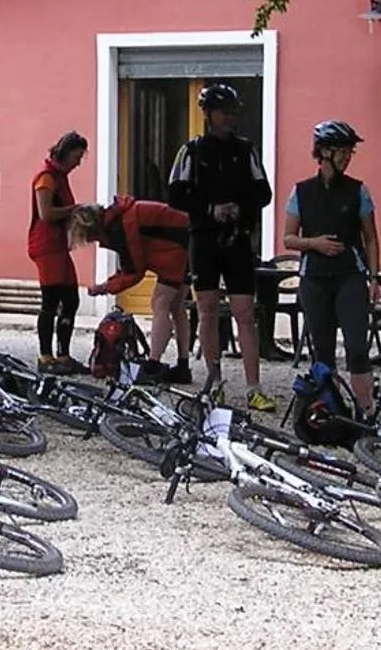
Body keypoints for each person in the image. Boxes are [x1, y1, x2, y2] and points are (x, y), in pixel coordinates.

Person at [167, 83, 275, 411]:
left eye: (233, 113)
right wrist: (209, 209)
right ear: (208, 115)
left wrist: (239, 207)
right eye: (223, 113)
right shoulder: (192, 150)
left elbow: (264, 192)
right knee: (208, 309)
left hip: (238, 238)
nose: (229, 118)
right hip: (204, 239)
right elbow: (175, 194)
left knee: (245, 312)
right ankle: (214, 383)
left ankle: (254, 387)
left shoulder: (246, 149)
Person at [283, 121, 381, 414]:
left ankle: (366, 410)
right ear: (324, 152)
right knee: (322, 349)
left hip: (349, 275)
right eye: (342, 151)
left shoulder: (358, 190)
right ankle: (331, 410)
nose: (347, 157)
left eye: (350, 151)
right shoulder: (301, 191)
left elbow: (371, 237)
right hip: (314, 277)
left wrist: (374, 277)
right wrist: (314, 243)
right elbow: (288, 238)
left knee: (357, 347)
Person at [71, 197, 194, 380]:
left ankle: (153, 365)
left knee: (160, 303)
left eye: (86, 236)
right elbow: (131, 264)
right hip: (188, 241)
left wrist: (105, 287)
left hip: (176, 248)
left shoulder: (122, 227)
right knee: (176, 306)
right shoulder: (119, 218)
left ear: (92, 228)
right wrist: (108, 285)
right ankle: (183, 366)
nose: (89, 241)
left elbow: (134, 271)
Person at [30, 131, 88, 372]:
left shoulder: (59, 176)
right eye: (77, 157)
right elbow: (46, 214)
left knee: (71, 300)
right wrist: (74, 210)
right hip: (47, 246)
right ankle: (45, 357)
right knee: (51, 301)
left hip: (58, 246)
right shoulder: (46, 178)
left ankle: (63, 355)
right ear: (65, 154)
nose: (78, 163)